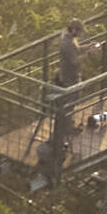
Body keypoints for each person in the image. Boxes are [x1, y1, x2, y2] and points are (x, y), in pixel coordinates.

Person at [33, 19, 88, 189]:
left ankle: (66, 129)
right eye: (80, 32)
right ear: (74, 30)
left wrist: (87, 47)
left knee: (68, 108)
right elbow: (75, 61)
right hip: (69, 80)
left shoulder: (70, 40)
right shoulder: (67, 43)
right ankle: (61, 135)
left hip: (69, 80)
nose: (81, 35)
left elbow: (76, 51)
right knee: (66, 108)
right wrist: (90, 53)